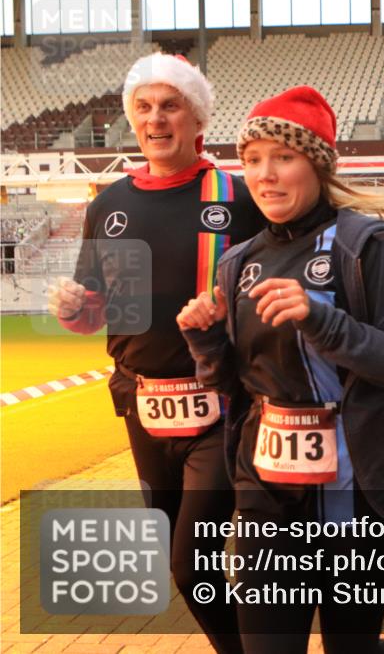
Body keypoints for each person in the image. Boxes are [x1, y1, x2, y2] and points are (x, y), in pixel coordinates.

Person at [177, 86, 384, 654]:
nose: (266, 175)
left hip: (358, 500)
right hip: (268, 501)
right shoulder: (239, 262)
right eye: (254, 159)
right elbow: (232, 388)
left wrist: (322, 319)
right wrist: (205, 341)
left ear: (316, 163)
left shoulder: (368, 245)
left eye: (283, 157)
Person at [46, 53, 264, 653]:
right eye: (143, 107)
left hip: (221, 410)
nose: (156, 118)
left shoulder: (239, 198)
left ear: (197, 118)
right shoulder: (107, 205)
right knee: (181, 561)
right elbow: (94, 316)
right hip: (143, 411)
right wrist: (72, 309)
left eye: (170, 105)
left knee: (193, 563)